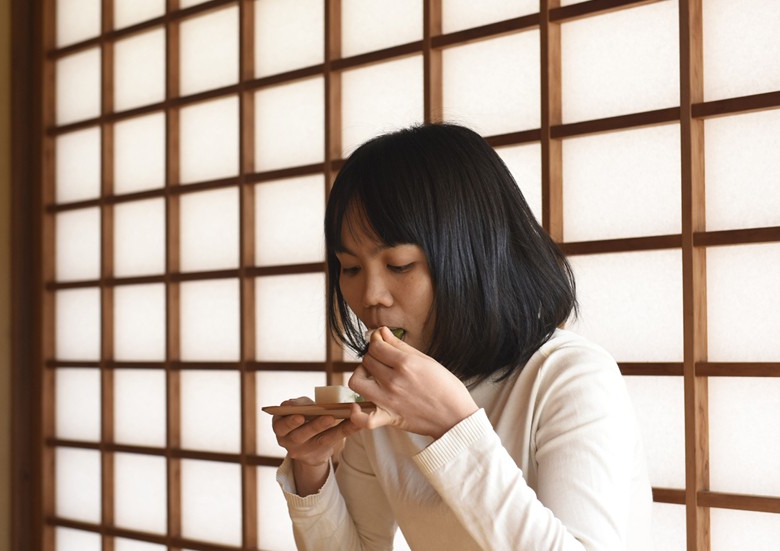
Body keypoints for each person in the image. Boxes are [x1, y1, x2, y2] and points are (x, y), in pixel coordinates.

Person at [270, 123, 652, 550]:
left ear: (472, 255)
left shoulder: (570, 378)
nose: (370, 297)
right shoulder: (388, 394)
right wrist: (312, 468)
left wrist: (453, 426)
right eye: (351, 268)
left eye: (398, 265)